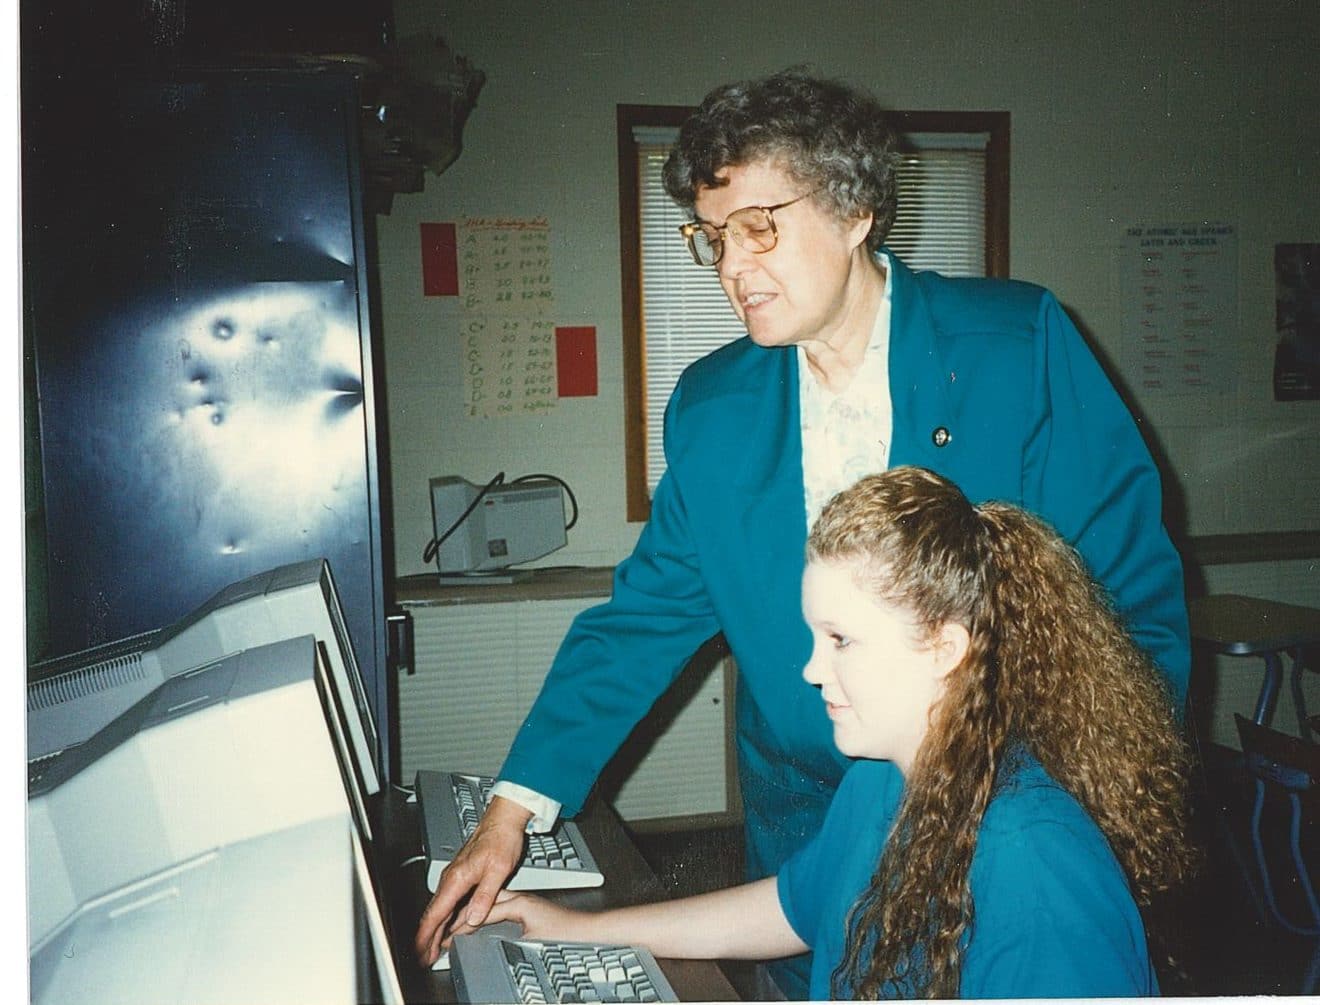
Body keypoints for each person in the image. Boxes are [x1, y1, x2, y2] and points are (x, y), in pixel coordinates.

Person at [414, 69, 1190, 996]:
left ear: (857, 209)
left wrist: (1079, 824)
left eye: (760, 226)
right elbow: (643, 618)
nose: (733, 267)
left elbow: (1128, 604)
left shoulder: (1014, 348)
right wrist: (513, 807)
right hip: (802, 827)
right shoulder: (713, 405)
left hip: (992, 820)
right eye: (712, 237)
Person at [476, 467, 1195, 999]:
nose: (812, 669)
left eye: (841, 640)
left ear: (946, 648)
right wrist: (570, 926)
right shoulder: (883, 780)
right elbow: (790, 907)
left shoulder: (1034, 864)